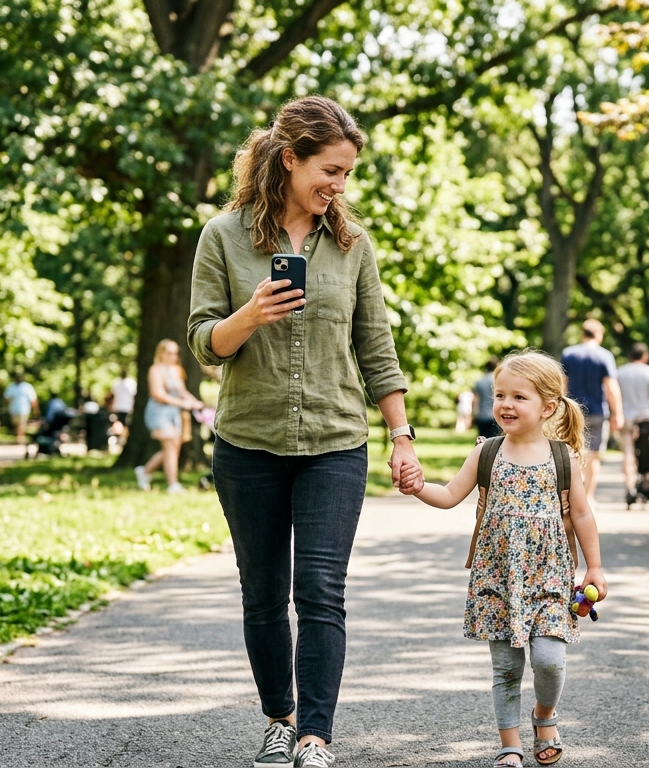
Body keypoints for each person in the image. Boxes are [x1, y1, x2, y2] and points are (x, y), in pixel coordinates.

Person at [186, 95, 423, 768]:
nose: (338, 185)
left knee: (320, 589)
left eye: (346, 174)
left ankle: (316, 735)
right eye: (330, 169)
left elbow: (376, 348)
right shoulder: (223, 236)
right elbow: (204, 341)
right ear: (289, 159)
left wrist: (402, 437)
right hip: (247, 442)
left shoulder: (351, 244)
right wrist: (249, 315)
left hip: (334, 442)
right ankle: (279, 721)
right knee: (262, 593)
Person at [411, 351, 607, 768]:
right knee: (505, 667)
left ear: (548, 407)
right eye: (501, 394)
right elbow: (448, 495)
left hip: (550, 576)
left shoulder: (563, 459)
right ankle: (510, 745)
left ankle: (544, 715)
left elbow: (583, 514)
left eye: (520, 397)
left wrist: (594, 566)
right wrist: (417, 486)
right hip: (498, 577)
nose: (506, 404)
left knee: (549, 661)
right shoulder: (486, 453)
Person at [560, 319, 623, 502]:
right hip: (596, 411)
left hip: (573, 412)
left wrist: (561, 409)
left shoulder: (568, 354)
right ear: (599, 335)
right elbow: (611, 387)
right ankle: (587, 497)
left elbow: (562, 384)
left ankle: (571, 497)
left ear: (583, 333)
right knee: (592, 456)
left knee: (572, 454)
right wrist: (617, 413)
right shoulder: (605, 356)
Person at [134, 340, 203, 494]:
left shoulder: (176, 370)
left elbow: (182, 391)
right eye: (169, 352)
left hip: (174, 413)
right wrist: (181, 403)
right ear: (161, 353)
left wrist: (194, 402)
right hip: (159, 413)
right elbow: (158, 394)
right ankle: (173, 484)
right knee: (171, 444)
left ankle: (145, 471)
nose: (173, 356)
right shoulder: (155, 370)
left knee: (173, 448)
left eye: (175, 353)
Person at [614, 343, 649, 491]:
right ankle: (647, 482)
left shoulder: (620, 372)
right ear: (645, 356)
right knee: (648, 450)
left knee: (628, 452)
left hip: (626, 418)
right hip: (646, 420)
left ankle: (630, 486)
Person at [3, 372, 38, 446]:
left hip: (24, 409)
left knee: (22, 424)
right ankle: (18, 437)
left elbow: (32, 399)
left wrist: (35, 410)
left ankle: (20, 438)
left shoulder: (27, 387)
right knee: (16, 424)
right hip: (13, 409)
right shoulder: (11, 387)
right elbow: (6, 398)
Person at [471, 358, 500, 439]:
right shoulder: (497, 380)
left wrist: (473, 413)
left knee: (482, 440)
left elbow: (475, 398)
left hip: (482, 414)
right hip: (494, 415)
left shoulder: (479, 381)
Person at [109, 367, 136, 438]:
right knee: (123, 424)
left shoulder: (117, 383)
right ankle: (122, 437)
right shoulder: (130, 383)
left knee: (122, 423)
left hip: (121, 407)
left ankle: (122, 437)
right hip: (126, 407)